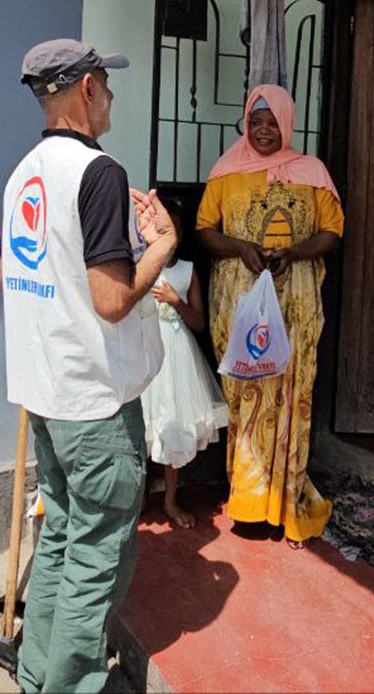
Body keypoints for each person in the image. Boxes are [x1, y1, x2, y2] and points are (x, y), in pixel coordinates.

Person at [0, 39, 177, 693]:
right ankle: (71, 684)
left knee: (62, 535)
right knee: (96, 553)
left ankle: (35, 671)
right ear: (84, 90)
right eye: (106, 83)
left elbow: (16, 271)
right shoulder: (97, 173)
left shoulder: (24, 175)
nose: (112, 97)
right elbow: (110, 300)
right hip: (94, 403)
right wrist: (163, 243)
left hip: (46, 393)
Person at [195, 83, 343, 547]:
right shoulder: (226, 170)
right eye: (256, 121)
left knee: (292, 388)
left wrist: (297, 252)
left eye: (272, 121)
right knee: (247, 391)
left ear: (287, 122)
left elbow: (333, 231)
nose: (263, 130)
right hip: (241, 304)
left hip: (293, 302)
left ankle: (285, 498)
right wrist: (238, 246)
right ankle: (248, 499)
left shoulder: (312, 172)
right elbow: (203, 229)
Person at [140, 204, 229, 529]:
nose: (168, 237)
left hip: (177, 355)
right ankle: (140, 498)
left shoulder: (187, 270)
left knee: (174, 422)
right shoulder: (141, 265)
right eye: (162, 229)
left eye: (173, 231)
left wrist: (176, 302)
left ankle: (170, 500)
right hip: (146, 353)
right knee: (144, 426)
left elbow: (200, 323)